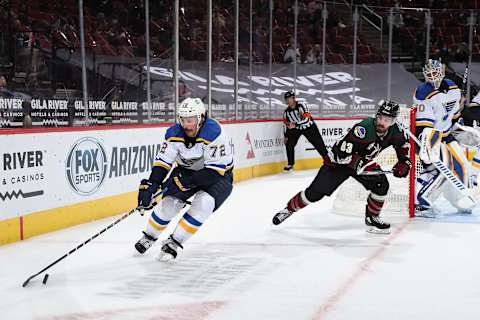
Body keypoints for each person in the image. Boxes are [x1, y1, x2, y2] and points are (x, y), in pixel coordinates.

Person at [273, 100, 411, 234]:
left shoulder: (396, 130)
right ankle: (289, 209)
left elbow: (403, 145)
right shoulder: (363, 129)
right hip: (338, 164)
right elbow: (340, 153)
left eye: (387, 120)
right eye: (381, 118)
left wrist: (404, 161)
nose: (382, 122)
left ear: (393, 121)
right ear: (377, 115)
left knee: (381, 184)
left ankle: (372, 217)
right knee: (314, 194)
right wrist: (357, 162)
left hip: (362, 163)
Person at [135, 97, 234, 260]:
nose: (186, 125)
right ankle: (149, 236)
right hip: (187, 170)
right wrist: (152, 185)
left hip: (218, 176)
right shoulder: (174, 133)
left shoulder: (214, 132)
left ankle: (173, 242)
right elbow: (163, 162)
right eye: (183, 120)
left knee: (204, 204)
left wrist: (185, 182)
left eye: (191, 120)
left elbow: (214, 172)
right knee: (170, 203)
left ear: (201, 118)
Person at [413, 59, 471, 216]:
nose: (433, 77)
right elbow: (426, 125)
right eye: (429, 74)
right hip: (429, 136)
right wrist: (429, 146)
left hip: (446, 134)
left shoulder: (452, 86)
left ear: (442, 71)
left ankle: (460, 199)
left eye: (436, 73)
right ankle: (421, 204)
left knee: (462, 165)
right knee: (439, 170)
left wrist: (459, 107)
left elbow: (451, 115)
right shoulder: (422, 92)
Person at [282, 90, 328, 171]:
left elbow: (307, 119)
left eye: (289, 98)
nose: (288, 101)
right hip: (297, 129)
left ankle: (328, 161)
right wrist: (286, 136)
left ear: (293, 98)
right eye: (286, 99)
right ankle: (290, 164)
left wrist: (295, 124)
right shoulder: (286, 112)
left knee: (319, 144)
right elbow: (287, 125)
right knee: (289, 143)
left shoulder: (301, 105)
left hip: (309, 127)